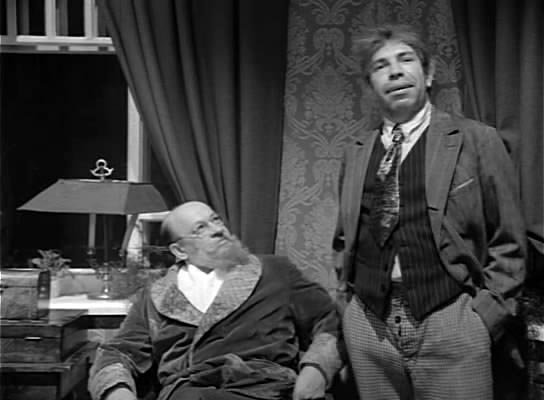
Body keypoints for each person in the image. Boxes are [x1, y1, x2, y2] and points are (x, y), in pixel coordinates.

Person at [332, 24, 526, 400]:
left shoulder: (476, 140)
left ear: (429, 73)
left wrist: (484, 318)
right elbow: (344, 238)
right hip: (368, 327)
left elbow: (509, 240)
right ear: (370, 86)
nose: (395, 72)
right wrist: (348, 308)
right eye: (381, 66)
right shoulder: (355, 151)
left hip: (453, 320)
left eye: (405, 60)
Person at [89, 201, 343, 400]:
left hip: (265, 388)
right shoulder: (157, 294)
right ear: (179, 250)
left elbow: (329, 321)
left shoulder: (275, 272)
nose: (218, 230)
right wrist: (118, 392)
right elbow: (118, 352)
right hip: (189, 392)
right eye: (200, 228)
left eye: (216, 220)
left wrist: (316, 369)